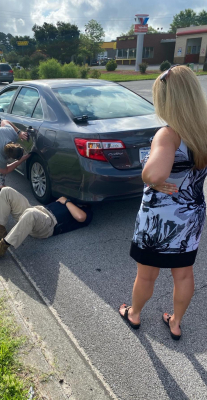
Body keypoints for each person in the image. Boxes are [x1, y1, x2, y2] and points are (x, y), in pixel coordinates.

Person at [119, 65, 207, 340]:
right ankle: (176, 322)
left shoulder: (168, 135)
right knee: (183, 275)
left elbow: (153, 174)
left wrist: (151, 179)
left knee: (147, 275)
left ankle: (134, 314)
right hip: (191, 213)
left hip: (160, 218)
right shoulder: (203, 131)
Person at [0, 187, 93, 260]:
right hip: (35, 212)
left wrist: (66, 201)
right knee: (7, 191)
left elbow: (80, 217)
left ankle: (2, 247)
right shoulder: (69, 199)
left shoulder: (85, 210)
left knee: (31, 213)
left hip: (47, 224)